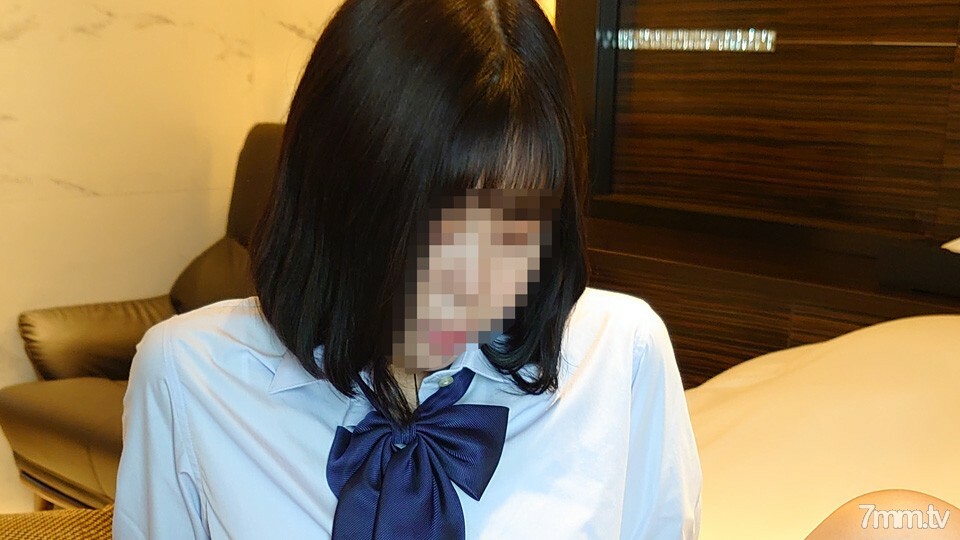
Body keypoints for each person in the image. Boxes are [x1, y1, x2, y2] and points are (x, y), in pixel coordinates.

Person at [112, 0, 702, 538]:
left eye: (513, 228)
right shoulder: (187, 380)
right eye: (426, 226)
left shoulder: (619, 359)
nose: (469, 282)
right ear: (332, 195)